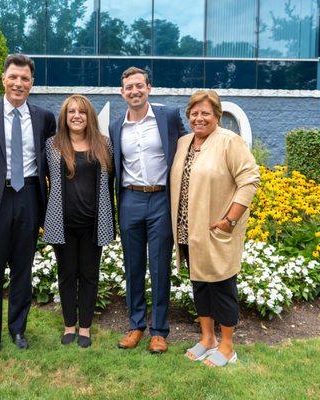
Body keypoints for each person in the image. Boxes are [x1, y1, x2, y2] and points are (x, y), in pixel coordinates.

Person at [0, 54, 57, 356]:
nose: (19, 83)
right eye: (14, 77)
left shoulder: (45, 117)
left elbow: (50, 161)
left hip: (30, 197)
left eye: (25, 79)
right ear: (3, 78)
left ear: (32, 83)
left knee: (23, 269)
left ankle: (18, 329)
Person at [170, 90, 260, 367]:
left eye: (205, 113)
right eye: (194, 113)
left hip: (216, 230)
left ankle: (227, 346)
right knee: (200, 286)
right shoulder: (184, 142)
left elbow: (250, 179)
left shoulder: (229, 142)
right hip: (188, 230)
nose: (199, 118)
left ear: (217, 116)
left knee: (222, 286)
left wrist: (230, 219)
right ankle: (207, 339)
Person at [109, 67, 186, 353]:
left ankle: (159, 331)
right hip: (130, 199)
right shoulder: (116, 126)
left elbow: (187, 149)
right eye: (129, 87)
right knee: (133, 265)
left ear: (149, 88)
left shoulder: (168, 117)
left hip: (162, 199)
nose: (134, 91)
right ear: (122, 92)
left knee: (159, 266)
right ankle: (135, 326)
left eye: (139, 85)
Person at [43, 95, 115, 348]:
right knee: (66, 274)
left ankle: (84, 327)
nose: (76, 116)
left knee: (89, 275)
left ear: (89, 116)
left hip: (94, 224)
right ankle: (69, 325)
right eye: (71, 111)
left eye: (82, 112)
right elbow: (43, 180)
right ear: (64, 116)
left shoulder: (104, 144)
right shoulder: (53, 145)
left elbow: (111, 180)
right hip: (62, 224)